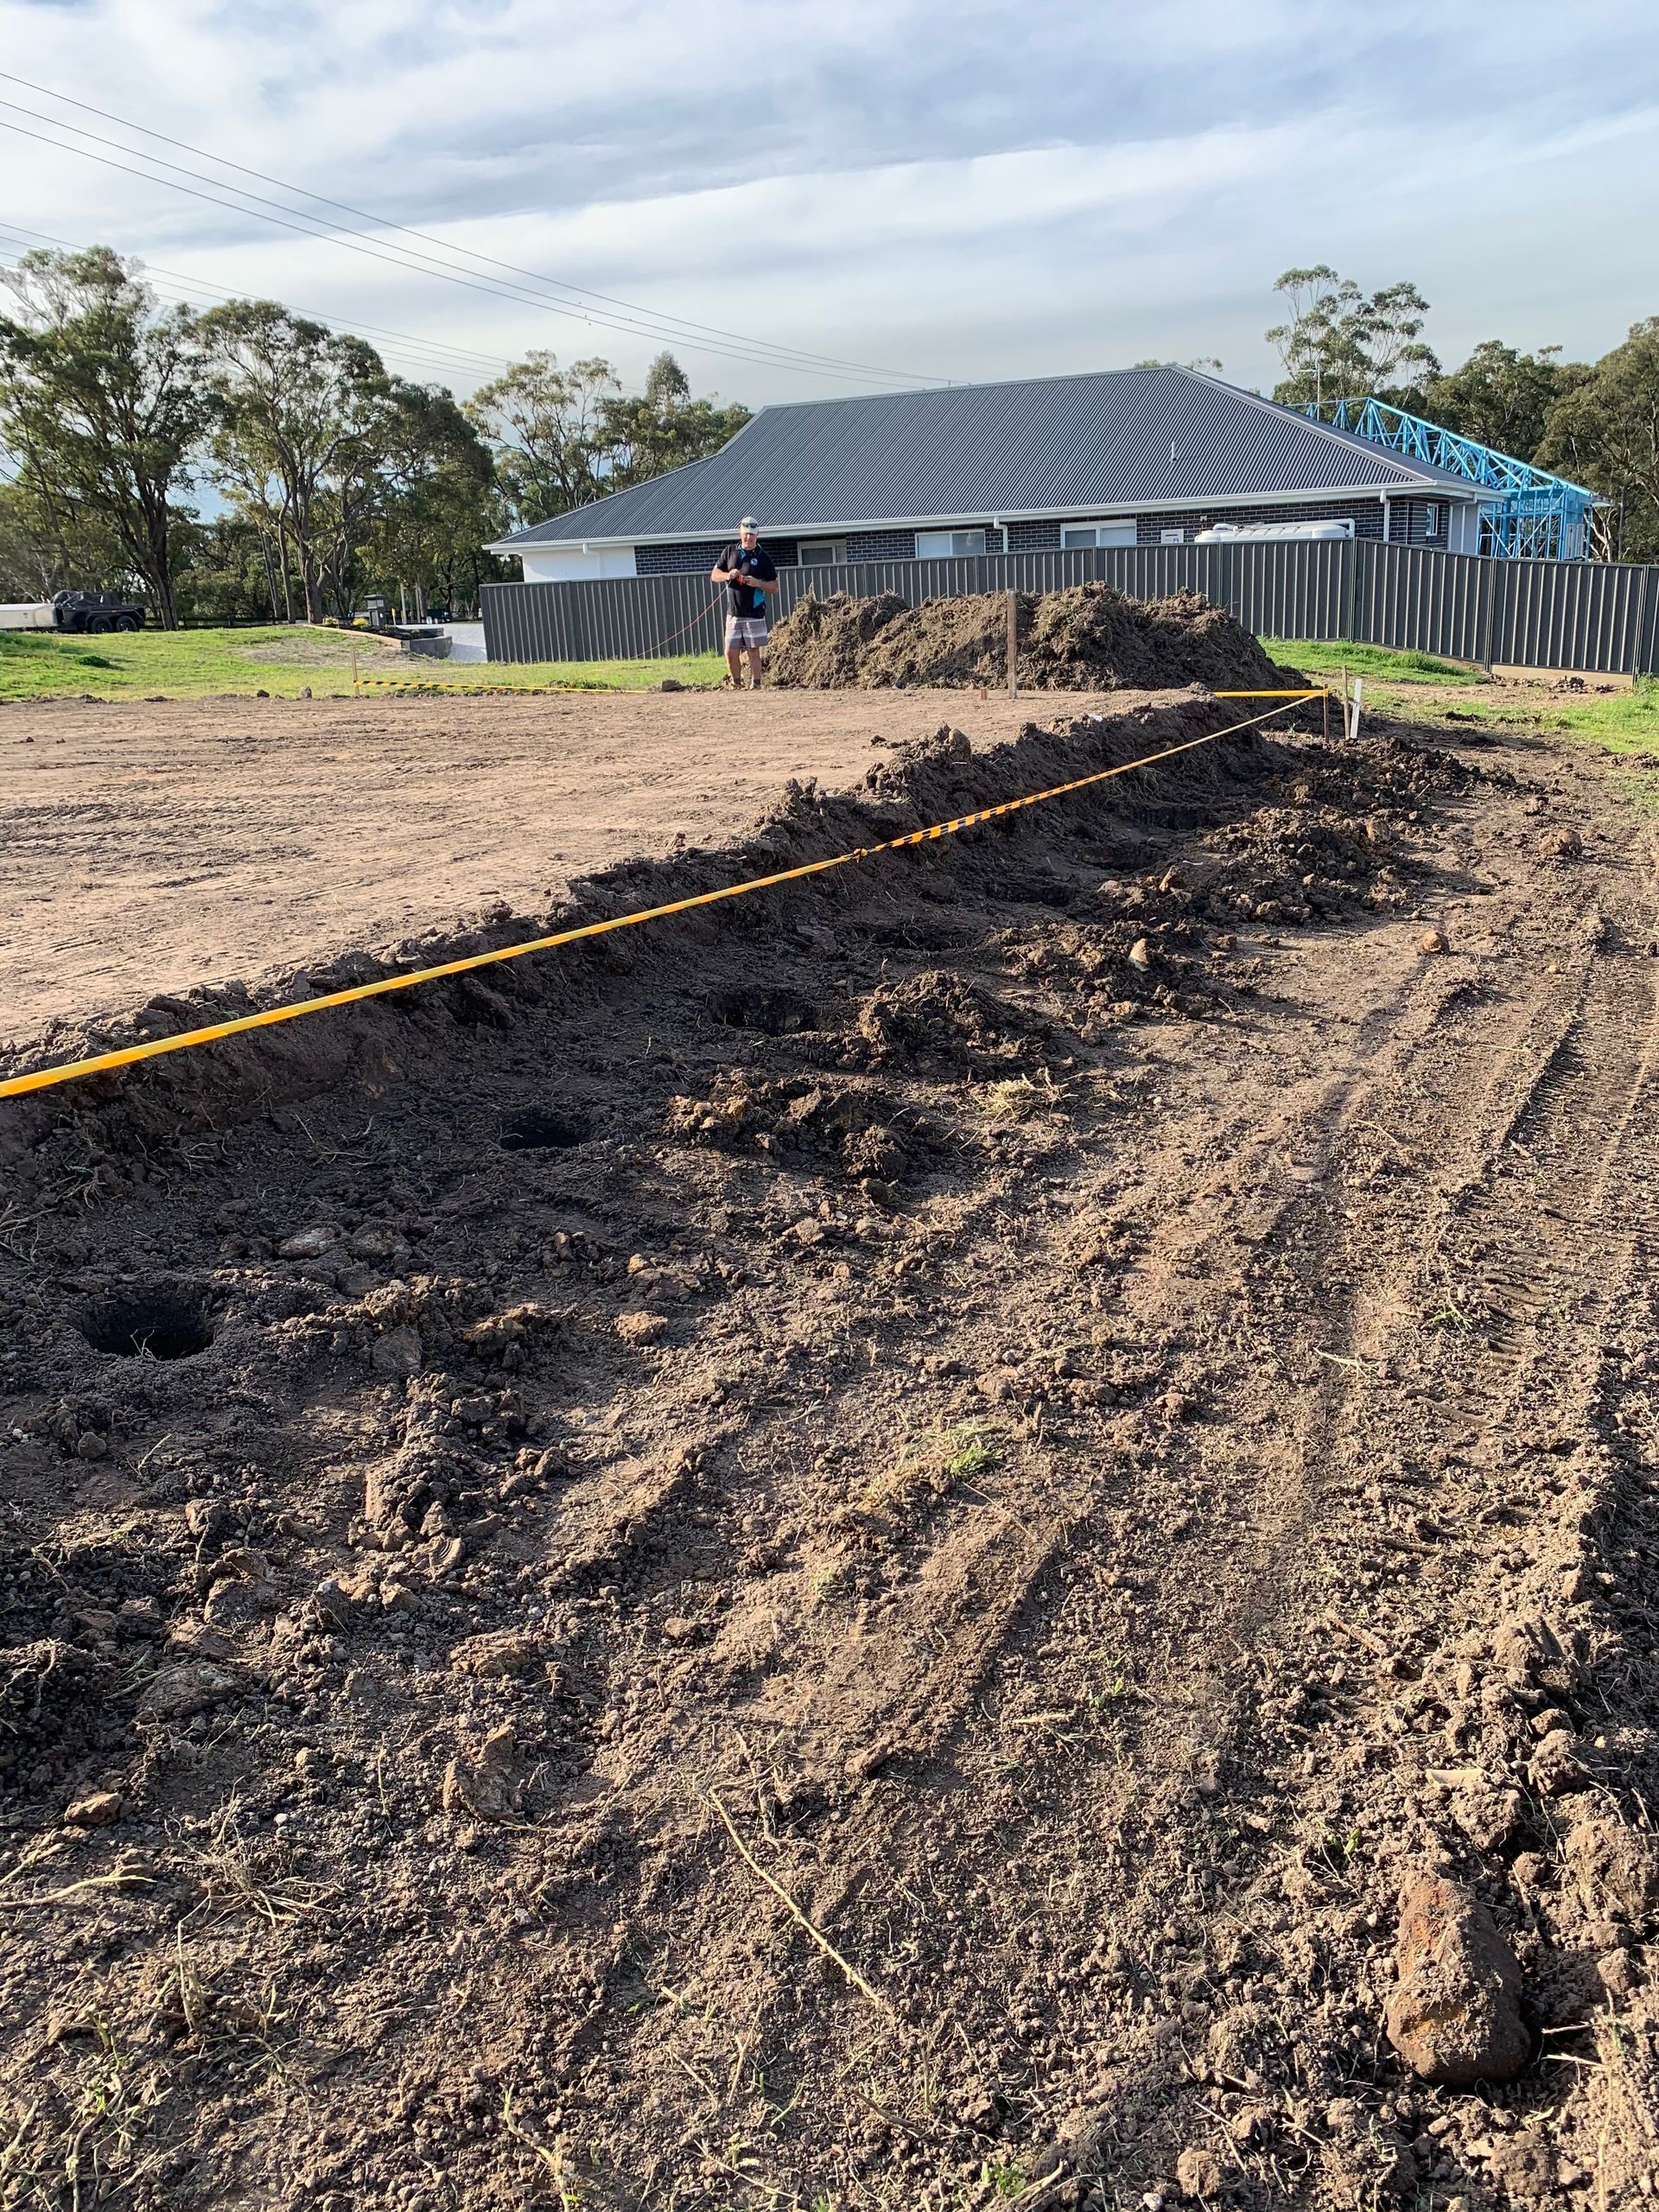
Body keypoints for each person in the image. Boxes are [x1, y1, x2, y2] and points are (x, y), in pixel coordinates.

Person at [711, 518, 779, 689]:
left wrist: (758, 583)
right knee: (730, 651)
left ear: (757, 535)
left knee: (753, 650)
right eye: (746, 534)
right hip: (733, 612)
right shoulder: (730, 551)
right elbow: (715, 575)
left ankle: (755, 684)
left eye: (752, 535)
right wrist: (728, 575)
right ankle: (736, 683)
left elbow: (774, 587)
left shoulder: (763, 558)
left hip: (754, 612)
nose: (749, 538)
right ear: (740, 533)